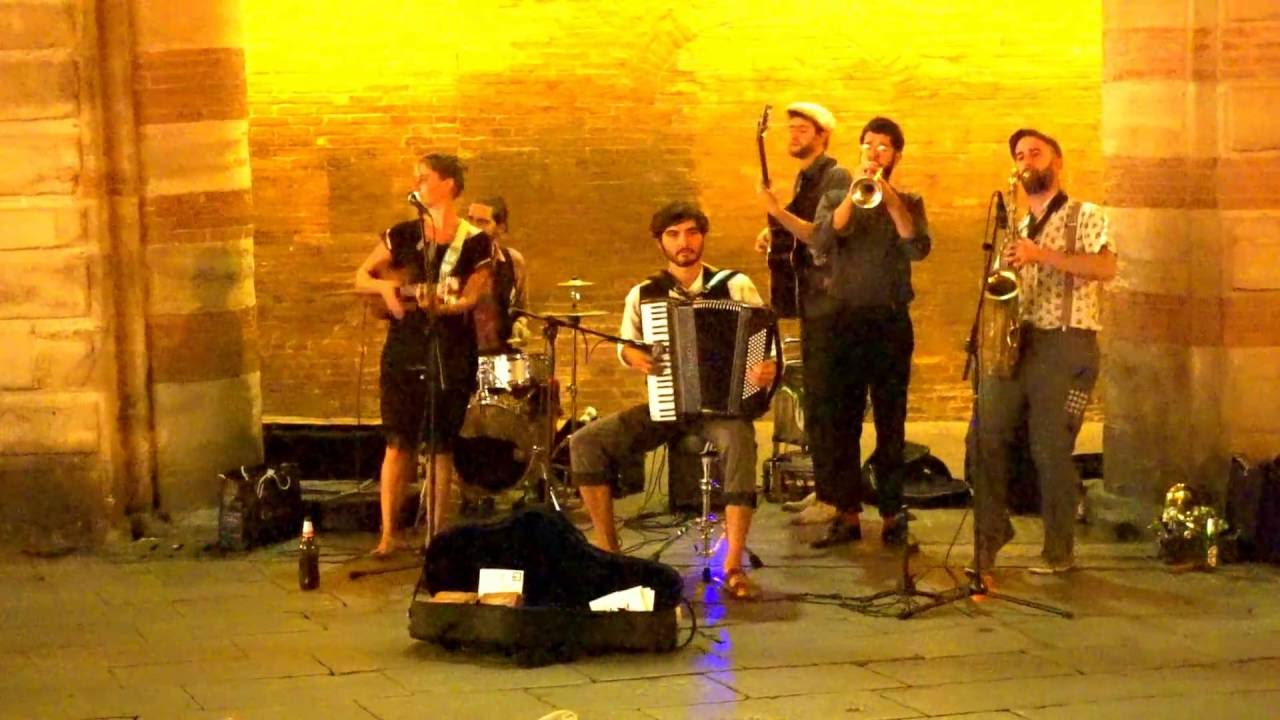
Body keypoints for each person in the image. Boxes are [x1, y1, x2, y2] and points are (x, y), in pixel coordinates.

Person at [569, 201, 777, 599]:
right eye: (674, 234)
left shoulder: (736, 286)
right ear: (661, 242)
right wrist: (635, 356)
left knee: (739, 441)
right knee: (585, 443)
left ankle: (733, 562)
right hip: (665, 405)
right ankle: (610, 555)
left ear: (702, 236)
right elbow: (626, 346)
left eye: (691, 232)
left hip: (722, 408)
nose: (684, 242)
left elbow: (764, 343)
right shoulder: (644, 294)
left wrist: (764, 369)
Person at [973, 128, 1116, 575]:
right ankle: (993, 530)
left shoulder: (1085, 214)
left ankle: (1059, 552)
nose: (1027, 160)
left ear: (1058, 162)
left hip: (1065, 341)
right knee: (983, 437)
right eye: (1020, 155)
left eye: (1036, 153)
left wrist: (1042, 254)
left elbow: (1105, 267)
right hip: (1018, 342)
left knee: (1049, 448)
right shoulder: (1014, 226)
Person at [802, 116, 932, 548]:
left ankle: (894, 514)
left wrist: (887, 195)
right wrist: (856, 194)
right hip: (844, 321)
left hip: (890, 321)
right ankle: (847, 513)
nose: (875, 153)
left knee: (891, 421)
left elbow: (916, 246)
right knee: (843, 422)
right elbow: (824, 239)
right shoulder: (838, 195)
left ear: (896, 155)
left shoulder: (908, 199)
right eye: (868, 145)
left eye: (884, 147)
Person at [355, 153, 494, 556]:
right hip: (405, 344)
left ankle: (436, 534)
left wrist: (446, 306)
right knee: (398, 440)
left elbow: (472, 296)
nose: (418, 183)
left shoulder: (475, 241)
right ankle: (387, 536)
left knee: (439, 443)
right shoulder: (401, 234)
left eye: (426, 177)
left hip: (450, 347)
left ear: (449, 184)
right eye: (416, 177)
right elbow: (361, 276)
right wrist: (384, 290)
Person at [467, 196, 529, 352]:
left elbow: (521, 310)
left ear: (500, 227)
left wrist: (520, 324)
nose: (473, 228)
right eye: (470, 220)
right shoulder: (453, 259)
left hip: (501, 355)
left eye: (482, 222)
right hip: (462, 357)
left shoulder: (514, 261)